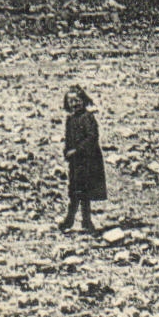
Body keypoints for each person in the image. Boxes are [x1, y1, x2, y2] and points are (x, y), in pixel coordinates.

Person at [59, 85, 106, 232]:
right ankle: (74, 220)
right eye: (71, 101)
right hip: (75, 162)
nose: (75, 104)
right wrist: (66, 151)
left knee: (83, 192)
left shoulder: (88, 118)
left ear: (83, 100)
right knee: (74, 191)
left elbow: (92, 137)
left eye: (77, 100)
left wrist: (77, 150)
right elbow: (68, 139)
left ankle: (81, 221)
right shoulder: (70, 120)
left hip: (88, 160)